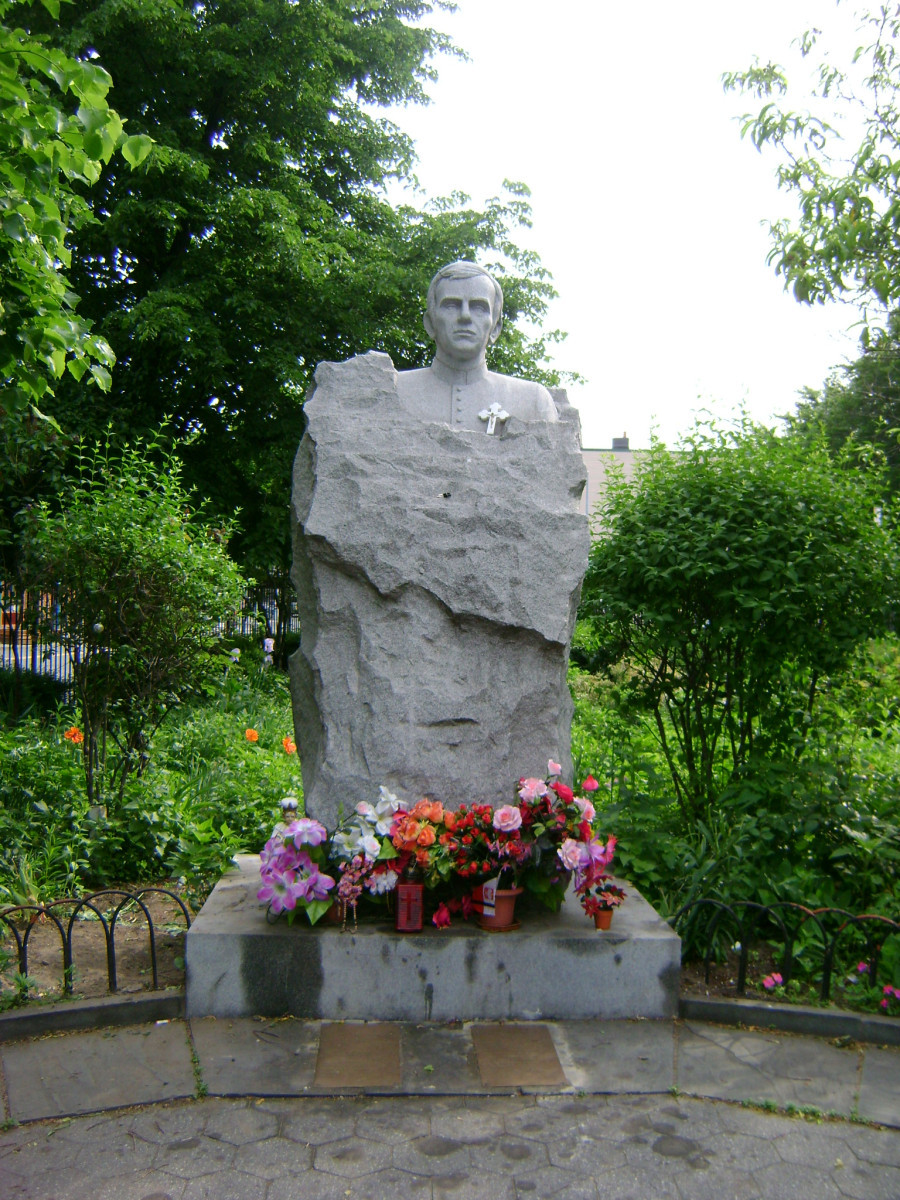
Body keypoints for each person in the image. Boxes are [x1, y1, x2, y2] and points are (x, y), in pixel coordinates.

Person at [396, 261, 559, 432]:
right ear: (430, 323)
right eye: (451, 305)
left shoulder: (533, 401)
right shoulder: (395, 390)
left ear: (495, 328)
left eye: (479, 308)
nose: (465, 316)